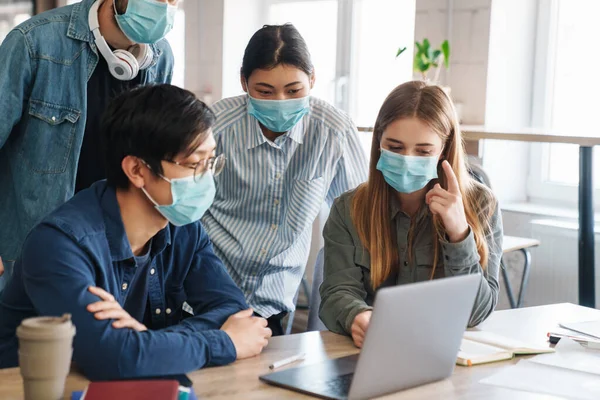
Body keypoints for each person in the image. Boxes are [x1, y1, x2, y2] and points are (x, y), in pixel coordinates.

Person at [0, 85, 271, 380]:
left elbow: (234, 311)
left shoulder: (182, 226)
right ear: (137, 170)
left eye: (211, 162)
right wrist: (223, 342)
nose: (206, 178)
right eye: (194, 164)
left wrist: (146, 343)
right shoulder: (60, 245)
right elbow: (111, 358)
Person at [202, 24, 368, 335]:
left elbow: (361, 221)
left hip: (273, 302)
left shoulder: (333, 132)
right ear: (244, 82)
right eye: (265, 91)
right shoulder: (216, 126)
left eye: (294, 91)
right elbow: (184, 214)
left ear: (313, 80)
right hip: (205, 294)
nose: (280, 101)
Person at [0, 0, 177, 290]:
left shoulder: (161, 56)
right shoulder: (33, 43)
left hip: (115, 257)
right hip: (36, 252)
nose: (166, 6)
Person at [319, 81, 503, 348]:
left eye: (423, 151)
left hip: (447, 354)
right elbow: (337, 292)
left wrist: (459, 233)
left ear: (444, 149)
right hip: (373, 351)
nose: (407, 159)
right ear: (378, 142)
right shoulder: (349, 209)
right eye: (394, 147)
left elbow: (477, 314)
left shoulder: (481, 205)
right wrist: (356, 316)